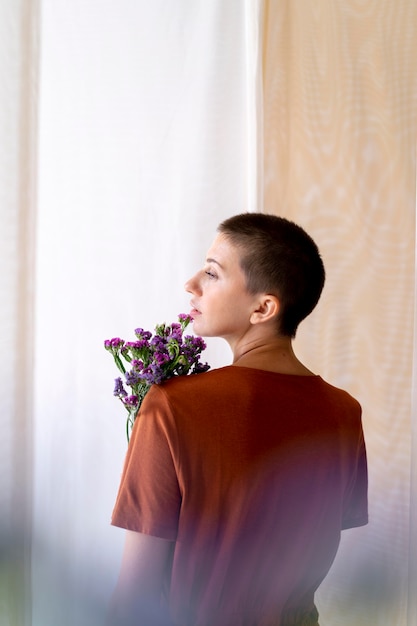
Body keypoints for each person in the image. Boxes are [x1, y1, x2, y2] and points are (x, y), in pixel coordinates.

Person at [108, 213, 368, 626]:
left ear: (263, 307)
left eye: (212, 273)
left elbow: (134, 595)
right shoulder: (344, 412)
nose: (191, 284)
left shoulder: (171, 406)